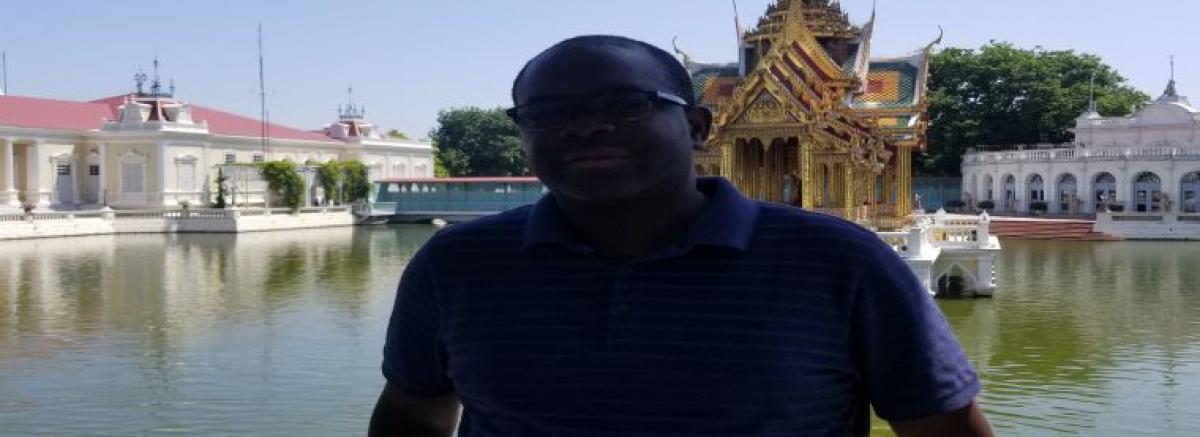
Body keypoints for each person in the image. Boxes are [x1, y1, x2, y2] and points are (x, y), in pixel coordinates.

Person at [370, 35, 993, 437]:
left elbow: (942, 427)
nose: (584, 127)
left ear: (697, 127)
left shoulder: (842, 264)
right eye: (547, 114)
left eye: (625, 104)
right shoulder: (457, 265)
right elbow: (411, 415)